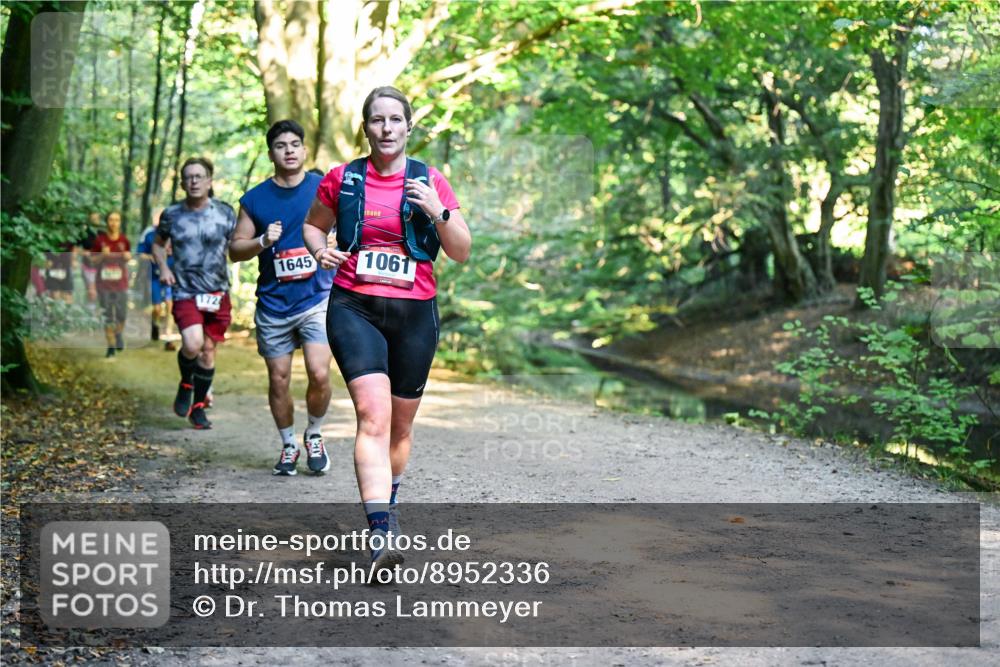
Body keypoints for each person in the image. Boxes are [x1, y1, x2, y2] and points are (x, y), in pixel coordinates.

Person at [303, 86, 471, 570]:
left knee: (399, 427)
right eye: (377, 120)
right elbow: (314, 227)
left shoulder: (429, 180)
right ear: (366, 127)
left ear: (408, 127)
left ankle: (389, 499)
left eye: (395, 120)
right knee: (371, 416)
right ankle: (380, 530)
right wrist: (320, 252)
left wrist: (435, 212)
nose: (386, 129)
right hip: (354, 307)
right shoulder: (343, 179)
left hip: (415, 313)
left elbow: (461, 250)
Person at [230, 119, 335, 476]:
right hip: (274, 305)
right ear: (271, 152)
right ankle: (289, 444)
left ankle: (315, 435)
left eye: (295, 144)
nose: (289, 150)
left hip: (316, 298)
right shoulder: (255, 199)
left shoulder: (324, 189)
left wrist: (334, 242)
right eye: (280, 145)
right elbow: (235, 249)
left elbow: (349, 231)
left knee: (320, 373)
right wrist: (262, 242)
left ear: (304, 150)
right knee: (279, 379)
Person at [154, 157, 237, 430]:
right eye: (188, 177)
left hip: (217, 291)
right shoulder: (172, 214)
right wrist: (164, 267)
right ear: (182, 183)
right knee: (192, 344)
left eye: (199, 176)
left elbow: (239, 245)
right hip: (186, 290)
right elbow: (157, 245)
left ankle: (198, 408)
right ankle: (186, 382)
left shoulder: (225, 213)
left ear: (210, 181)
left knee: (208, 352)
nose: (194, 181)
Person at [90, 212, 131, 357]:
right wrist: (102, 255)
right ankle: (111, 346)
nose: (114, 223)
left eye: (117, 220)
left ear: (120, 222)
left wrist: (128, 257)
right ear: (107, 222)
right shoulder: (99, 240)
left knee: (121, 315)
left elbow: (128, 258)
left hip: (121, 284)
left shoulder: (124, 240)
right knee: (107, 315)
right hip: (103, 285)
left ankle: (118, 334)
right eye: (111, 220)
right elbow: (92, 260)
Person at [137, 209, 176, 351]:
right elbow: (140, 254)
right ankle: (155, 324)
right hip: (155, 276)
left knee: (171, 306)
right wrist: (151, 257)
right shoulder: (148, 234)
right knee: (157, 308)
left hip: (172, 276)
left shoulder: (176, 231)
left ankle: (169, 337)